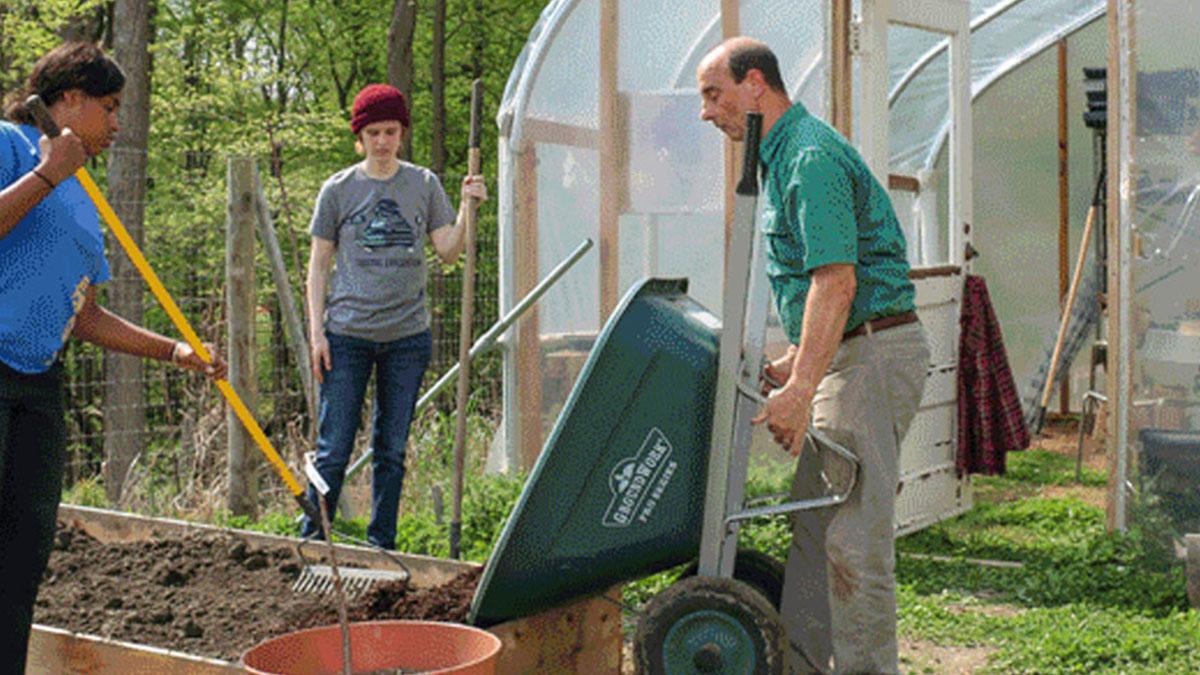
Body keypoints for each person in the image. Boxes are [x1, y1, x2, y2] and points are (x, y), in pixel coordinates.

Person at [697, 38, 930, 674]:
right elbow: (817, 288)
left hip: (873, 358)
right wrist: (795, 358)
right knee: (816, 531)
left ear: (754, 86)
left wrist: (800, 387)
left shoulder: (809, 158)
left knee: (852, 541)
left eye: (713, 94)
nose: (706, 111)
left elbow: (837, 282)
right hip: (852, 352)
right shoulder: (780, 157)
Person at [0, 42, 227, 673]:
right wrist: (47, 173)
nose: (119, 124)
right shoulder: (8, 146)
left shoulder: (86, 196)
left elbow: (84, 314)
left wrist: (175, 350)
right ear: (66, 98)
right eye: (109, 106)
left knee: (23, 557)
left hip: (38, 383)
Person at [302, 83, 487, 550]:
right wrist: (316, 333)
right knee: (334, 448)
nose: (383, 141)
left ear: (401, 133)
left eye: (391, 131)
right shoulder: (338, 191)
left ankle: (381, 544)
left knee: (392, 450)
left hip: (407, 338)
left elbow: (447, 251)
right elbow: (318, 265)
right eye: (373, 132)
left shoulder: (422, 185)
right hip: (346, 336)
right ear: (359, 137)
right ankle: (313, 539)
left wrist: (467, 208)